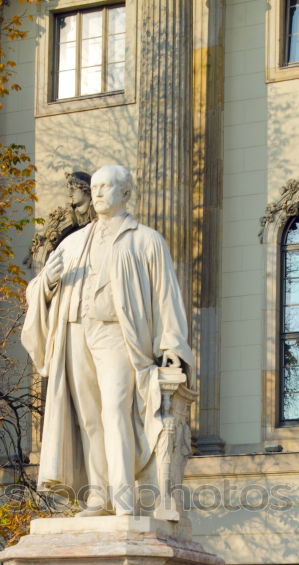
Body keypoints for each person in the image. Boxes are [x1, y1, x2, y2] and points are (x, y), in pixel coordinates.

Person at [22, 164, 193, 515]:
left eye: (107, 186)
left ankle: (124, 498)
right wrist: (47, 282)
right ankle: (99, 496)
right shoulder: (73, 242)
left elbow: (167, 296)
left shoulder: (145, 239)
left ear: (125, 193)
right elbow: (36, 292)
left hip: (118, 334)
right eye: (96, 187)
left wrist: (173, 345)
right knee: (89, 417)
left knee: (115, 409)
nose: (98, 193)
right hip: (75, 331)